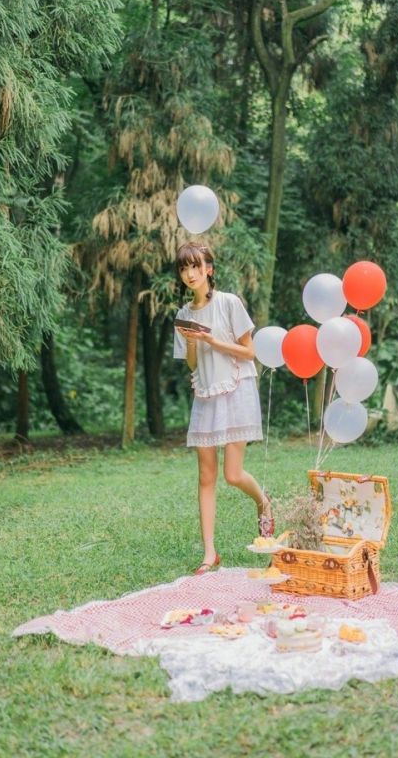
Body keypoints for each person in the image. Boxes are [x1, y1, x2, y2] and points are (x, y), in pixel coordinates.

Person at [173, 241, 274, 575]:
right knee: (206, 476)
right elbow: (191, 364)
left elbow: (250, 351)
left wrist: (215, 342)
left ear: (209, 269)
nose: (190, 274)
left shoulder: (229, 302)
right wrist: (192, 343)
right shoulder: (183, 315)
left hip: (237, 387)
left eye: (196, 266)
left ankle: (263, 502)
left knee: (232, 474)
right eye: (184, 268)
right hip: (205, 391)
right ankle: (209, 554)